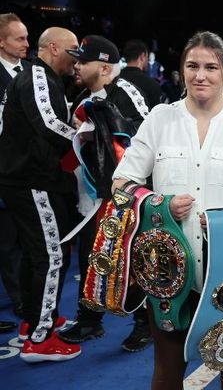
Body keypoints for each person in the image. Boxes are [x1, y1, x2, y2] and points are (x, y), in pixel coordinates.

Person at [111, 31, 223, 390]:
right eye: (192, 66)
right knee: (167, 370)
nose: (200, 75)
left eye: (210, 66)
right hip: (165, 269)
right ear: (181, 71)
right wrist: (157, 204)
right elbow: (121, 182)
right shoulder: (160, 119)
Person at [57, 35, 153, 353]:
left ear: (104, 66)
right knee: (90, 258)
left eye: (83, 61)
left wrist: (106, 124)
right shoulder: (82, 96)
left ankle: (144, 324)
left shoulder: (126, 93)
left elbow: (145, 135)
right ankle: (90, 319)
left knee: (132, 259)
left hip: (126, 196)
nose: (77, 66)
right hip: (91, 196)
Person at [0, 26, 81, 362]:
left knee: (38, 253)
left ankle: (32, 322)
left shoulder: (37, 76)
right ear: (53, 48)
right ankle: (40, 337)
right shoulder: (36, 74)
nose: (77, 59)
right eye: (73, 50)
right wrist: (82, 138)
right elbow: (48, 123)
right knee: (51, 256)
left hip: (25, 177)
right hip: (31, 178)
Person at [0, 12, 30, 331]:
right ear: (1, 42)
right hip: (4, 170)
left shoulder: (30, 71)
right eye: (19, 38)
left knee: (22, 238)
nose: (26, 43)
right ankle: (19, 298)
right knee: (7, 239)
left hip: (25, 171)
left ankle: (26, 297)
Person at [119, 39, 162, 108]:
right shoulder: (152, 85)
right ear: (142, 57)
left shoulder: (112, 80)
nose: (148, 60)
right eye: (147, 57)